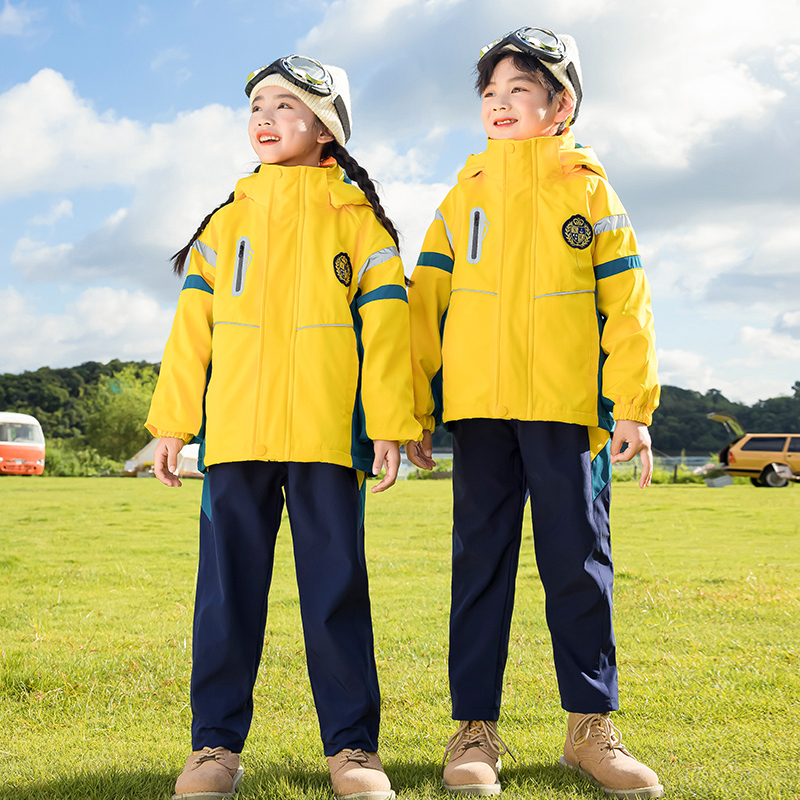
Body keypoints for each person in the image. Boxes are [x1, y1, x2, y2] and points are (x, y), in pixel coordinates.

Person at [145, 55, 421, 800]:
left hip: (330, 442)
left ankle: (354, 752)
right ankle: (214, 749)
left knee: (335, 594)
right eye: (258, 106)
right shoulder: (225, 223)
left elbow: (389, 333)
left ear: (326, 127)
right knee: (227, 596)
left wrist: (393, 423)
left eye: (287, 107)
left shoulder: (362, 227)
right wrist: (172, 424)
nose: (266, 119)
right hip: (235, 441)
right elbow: (190, 336)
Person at [406, 27, 663, 798]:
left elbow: (628, 305)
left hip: (565, 414)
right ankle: (474, 732)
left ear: (561, 106)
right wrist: (415, 408)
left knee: (578, 568)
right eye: (490, 93)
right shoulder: (464, 194)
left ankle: (591, 727)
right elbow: (425, 308)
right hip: (480, 414)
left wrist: (632, 405)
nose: (501, 104)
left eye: (520, 90)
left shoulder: (590, 189)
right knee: (479, 569)